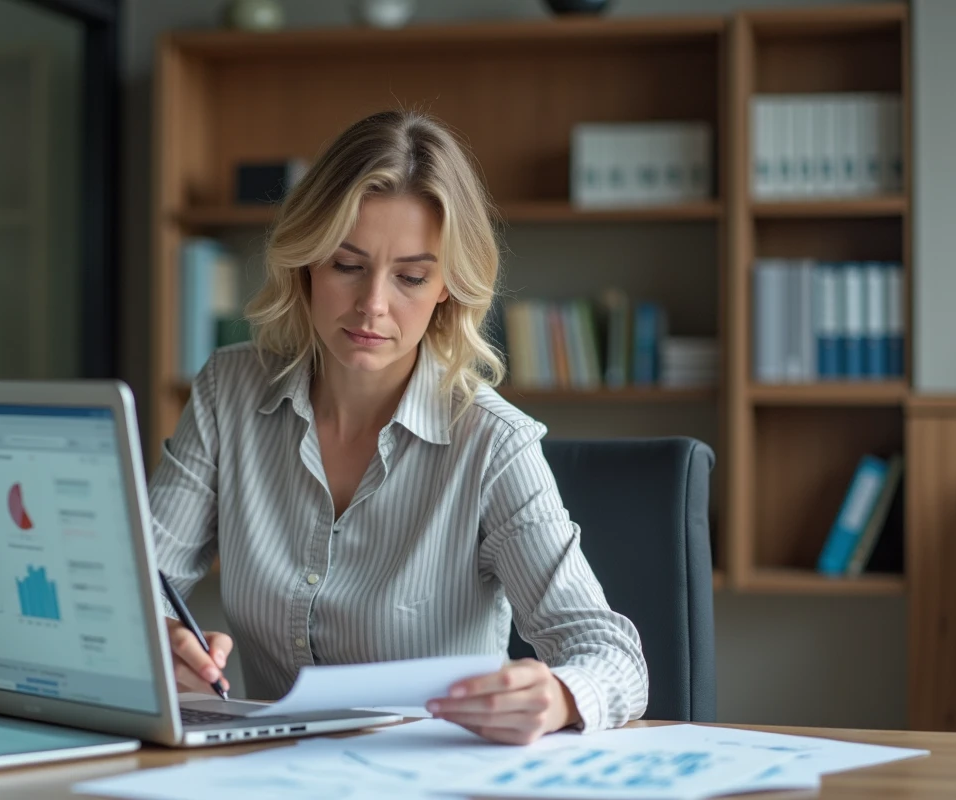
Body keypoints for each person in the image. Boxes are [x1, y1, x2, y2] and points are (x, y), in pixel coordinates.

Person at [149, 109, 648, 744]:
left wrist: (557, 697)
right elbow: (142, 580)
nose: (373, 305)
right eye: (346, 264)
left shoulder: (494, 443)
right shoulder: (229, 390)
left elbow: (611, 654)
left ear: (447, 287)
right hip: (269, 775)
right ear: (306, 261)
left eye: (411, 277)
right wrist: (160, 639)